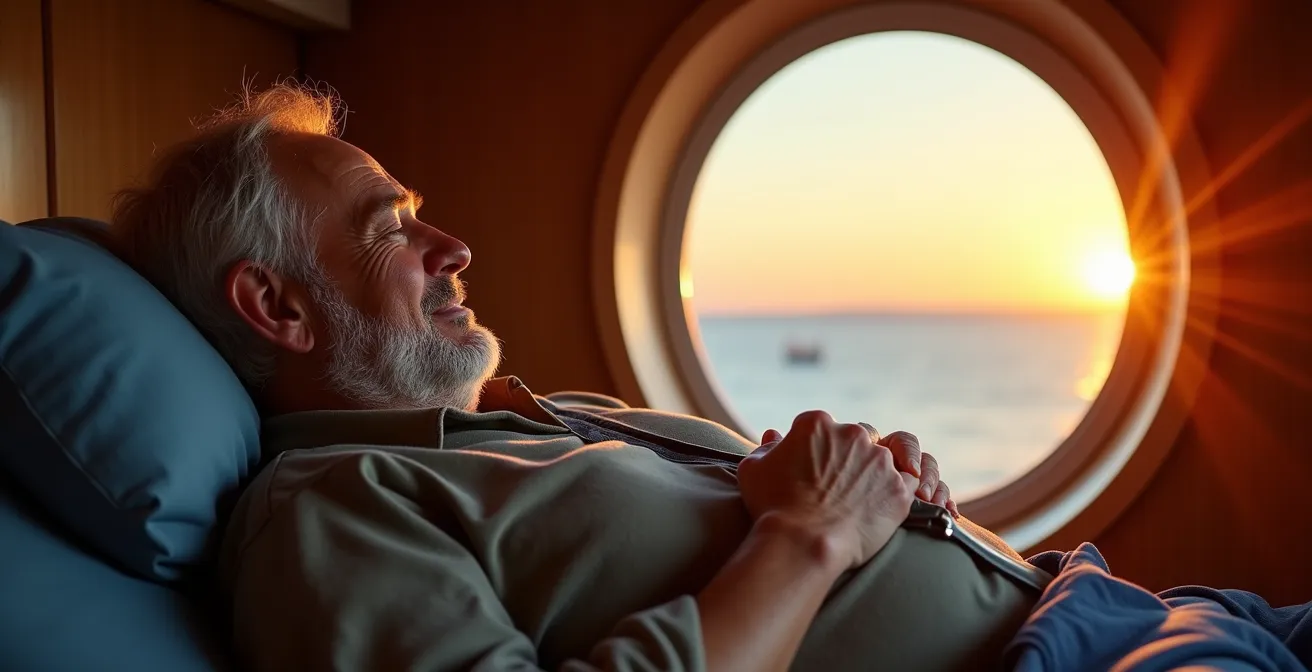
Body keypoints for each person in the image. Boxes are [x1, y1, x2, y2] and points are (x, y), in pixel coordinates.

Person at [104, 83, 1167, 671]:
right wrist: (808, 541)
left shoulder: (545, 415)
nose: (455, 246)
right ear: (276, 307)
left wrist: (882, 500)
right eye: (393, 230)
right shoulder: (332, 512)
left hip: (1115, 608)